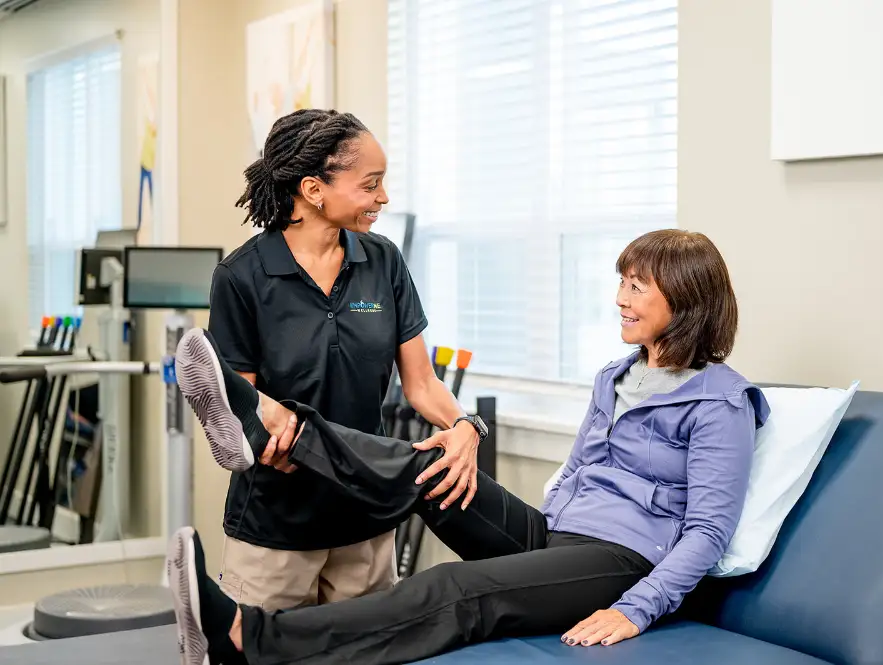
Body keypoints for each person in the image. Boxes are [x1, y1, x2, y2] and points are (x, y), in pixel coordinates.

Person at [170, 229, 770, 665]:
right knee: (432, 468)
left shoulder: (721, 402)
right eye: (621, 282)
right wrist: (538, 538)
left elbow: (707, 532)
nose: (620, 298)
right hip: (558, 534)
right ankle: (282, 428)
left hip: (624, 558)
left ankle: (248, 639)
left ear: (685, 300)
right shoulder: (615, 376)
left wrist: (635, 608)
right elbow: (580, 467)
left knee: (453, 588)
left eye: (637, 287)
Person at [207, 108, 486, 611]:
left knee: (366, 646)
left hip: (366, 518)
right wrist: (265, 435)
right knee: (266, 647)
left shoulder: (383, 260)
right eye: (370, 184)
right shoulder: (241, 277)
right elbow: (242, 407)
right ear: (314, 189)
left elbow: (421, 384)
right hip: (276, 526)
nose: (383, 197)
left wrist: (465, 425)